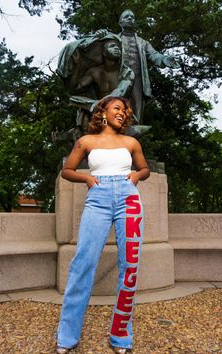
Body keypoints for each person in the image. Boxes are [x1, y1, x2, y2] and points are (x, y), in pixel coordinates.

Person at [56, 96, 150, 354]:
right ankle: (67, 336)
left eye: (125, 110)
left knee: (129, 266)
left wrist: (136, 175)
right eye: (117, 108)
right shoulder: (86, 141)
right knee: (83, 262)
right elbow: (67, 170)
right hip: (97, 198)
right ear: (103, 111)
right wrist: (86, 180)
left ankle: (121, 336)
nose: (122, 113)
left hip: (128, 198)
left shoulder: (131, 142)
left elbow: (145, 170)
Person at [118, 9, 180, 123]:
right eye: (126, 17)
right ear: (120, 22)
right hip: (119, 79)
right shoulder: (114, 39)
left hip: (137, 79)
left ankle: (134, 136)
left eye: (132, 17)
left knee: (137, 109)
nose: (130, 18)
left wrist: (165, 59)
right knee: (117, 106)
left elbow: (154, 55)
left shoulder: (143, 42)